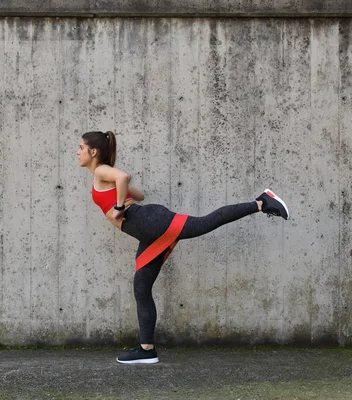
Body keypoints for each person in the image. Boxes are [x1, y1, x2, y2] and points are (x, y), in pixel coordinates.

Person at [76, 130, 289, 364]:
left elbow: (123, 177)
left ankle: (261, 203)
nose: (77, 152)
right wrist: (121, 197)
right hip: (146, 229)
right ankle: (146, 350)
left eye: (80, 147)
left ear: (93, 152)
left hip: (148, 222)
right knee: (141, 286)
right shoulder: (102, 175)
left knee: (204, 223)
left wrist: (118, 207)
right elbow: (139, 194)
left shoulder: (100, 170)